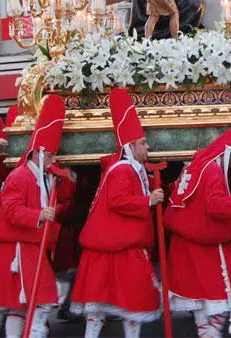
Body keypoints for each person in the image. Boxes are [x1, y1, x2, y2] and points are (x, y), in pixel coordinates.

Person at [165, 112, 231, 337]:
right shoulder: (212, 169)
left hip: (186, 241)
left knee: (200, 299)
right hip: (209, 243)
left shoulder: (197, 164)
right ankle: (209, 334)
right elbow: (216, 206)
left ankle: (206, 333)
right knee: (225, 296)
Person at [70, 89, 163, 338]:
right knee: (125, 304)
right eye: (143, 143)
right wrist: (148, 200)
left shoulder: (131, 168)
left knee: (125, 305)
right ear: (130, 146)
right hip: (118, 247)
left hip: (121, 247)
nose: (148, 146)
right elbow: (118, 200)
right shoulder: (123, 170)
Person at [0, 95, 67, 338]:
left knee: (28, 305)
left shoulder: (44, 175)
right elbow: (11, 211)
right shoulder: (19, 176)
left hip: (30, 245)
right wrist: (40, 214)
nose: (53, 160)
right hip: (18, 247)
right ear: (37, 154)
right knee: (38, 302)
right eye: (50, 155)